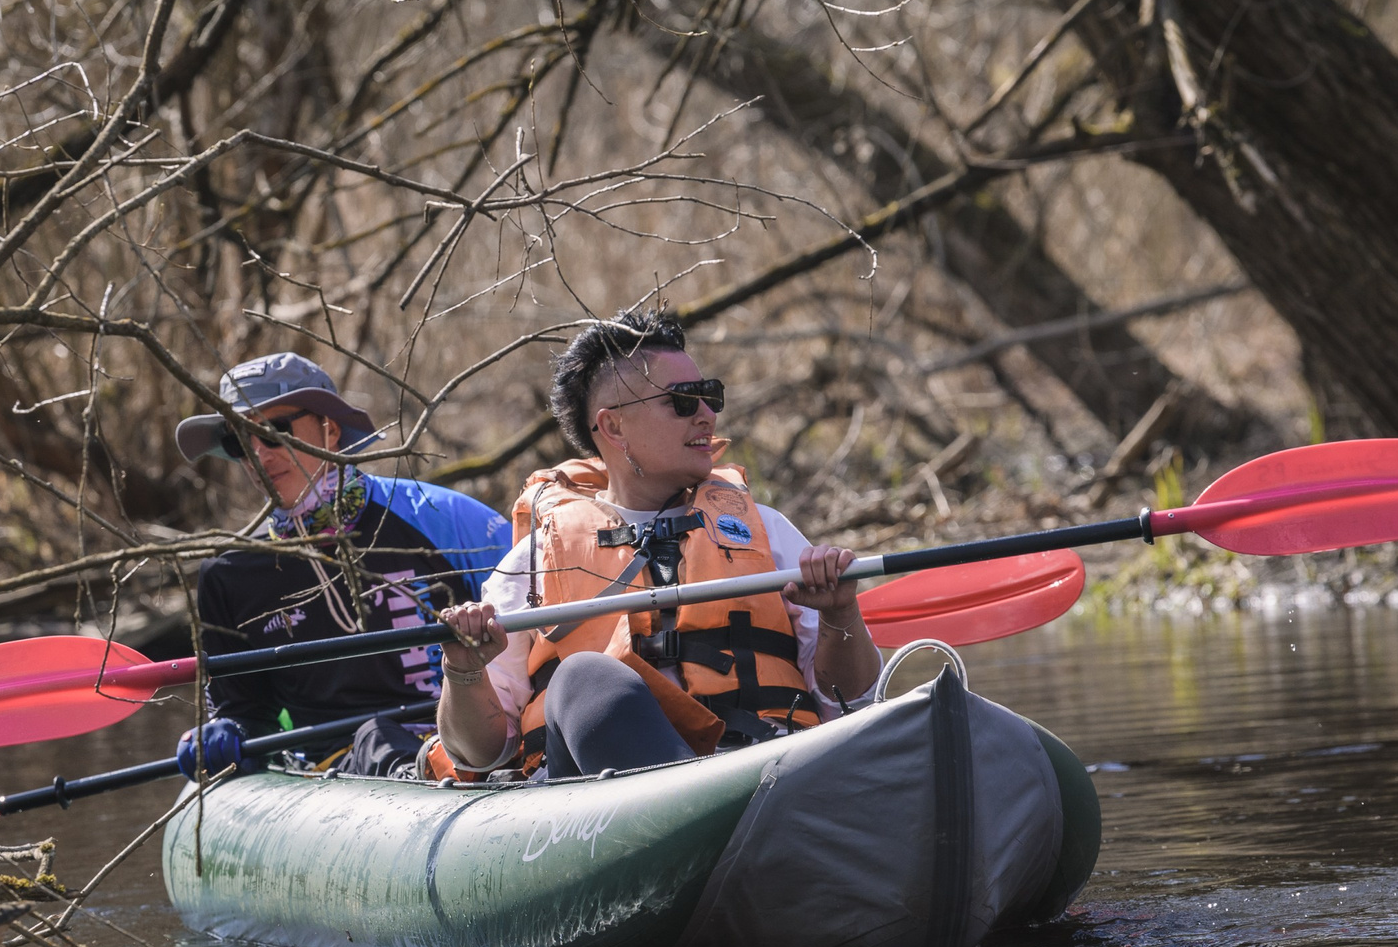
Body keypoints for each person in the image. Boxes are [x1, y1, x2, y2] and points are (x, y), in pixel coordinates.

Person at [432, 309, 879, 780]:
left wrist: (840, 615)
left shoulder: (767, 533)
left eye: (710, 396)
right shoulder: (530, 565)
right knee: (582, 677)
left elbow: (852, 704)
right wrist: (463, 671)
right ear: (615, 427)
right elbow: (480, 756)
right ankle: (700, 810)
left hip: (765, 767)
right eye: (683, 401)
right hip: (602, 801)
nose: (707, 414)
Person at [175, 351, 509, 777]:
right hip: (339, 773)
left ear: (329, 430)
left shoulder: (441, 516)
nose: (258, 455)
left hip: (472, 739)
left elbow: (535, 607)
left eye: (274, 432)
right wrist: (226, 730)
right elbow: (245, 712)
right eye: (240, 441)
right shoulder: (229, 577)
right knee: (375, 734)